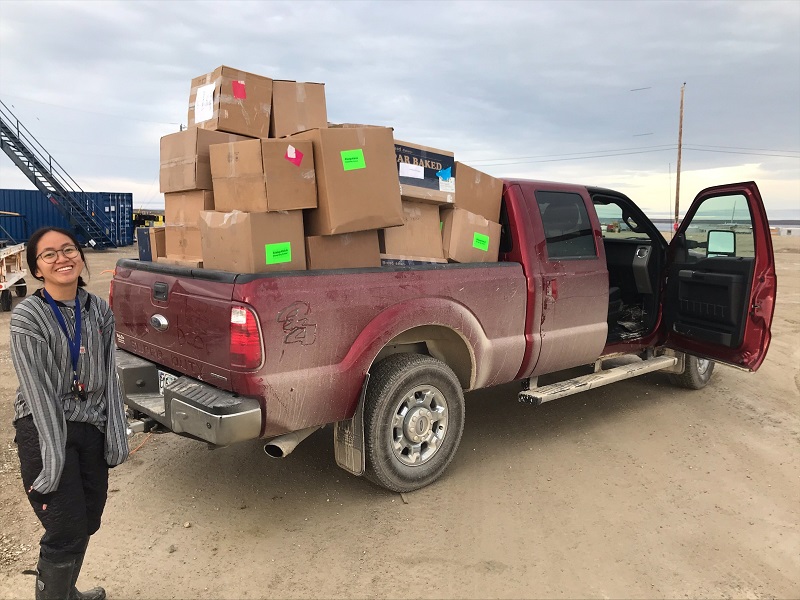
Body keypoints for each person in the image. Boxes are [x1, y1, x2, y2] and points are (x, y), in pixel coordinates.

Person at [10, 227, 129, 600]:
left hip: (89, 424)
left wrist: (116, 433)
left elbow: (109, 373)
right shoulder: (28, 316)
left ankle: (68, 594)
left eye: (68, 249)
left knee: (88, 518)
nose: (62, 258)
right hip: (44, 429)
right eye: (49, 255)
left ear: (80, 256)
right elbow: (37, 389)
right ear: (37, 269)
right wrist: (53, 456)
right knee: (64, 527)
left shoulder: (98, 310)